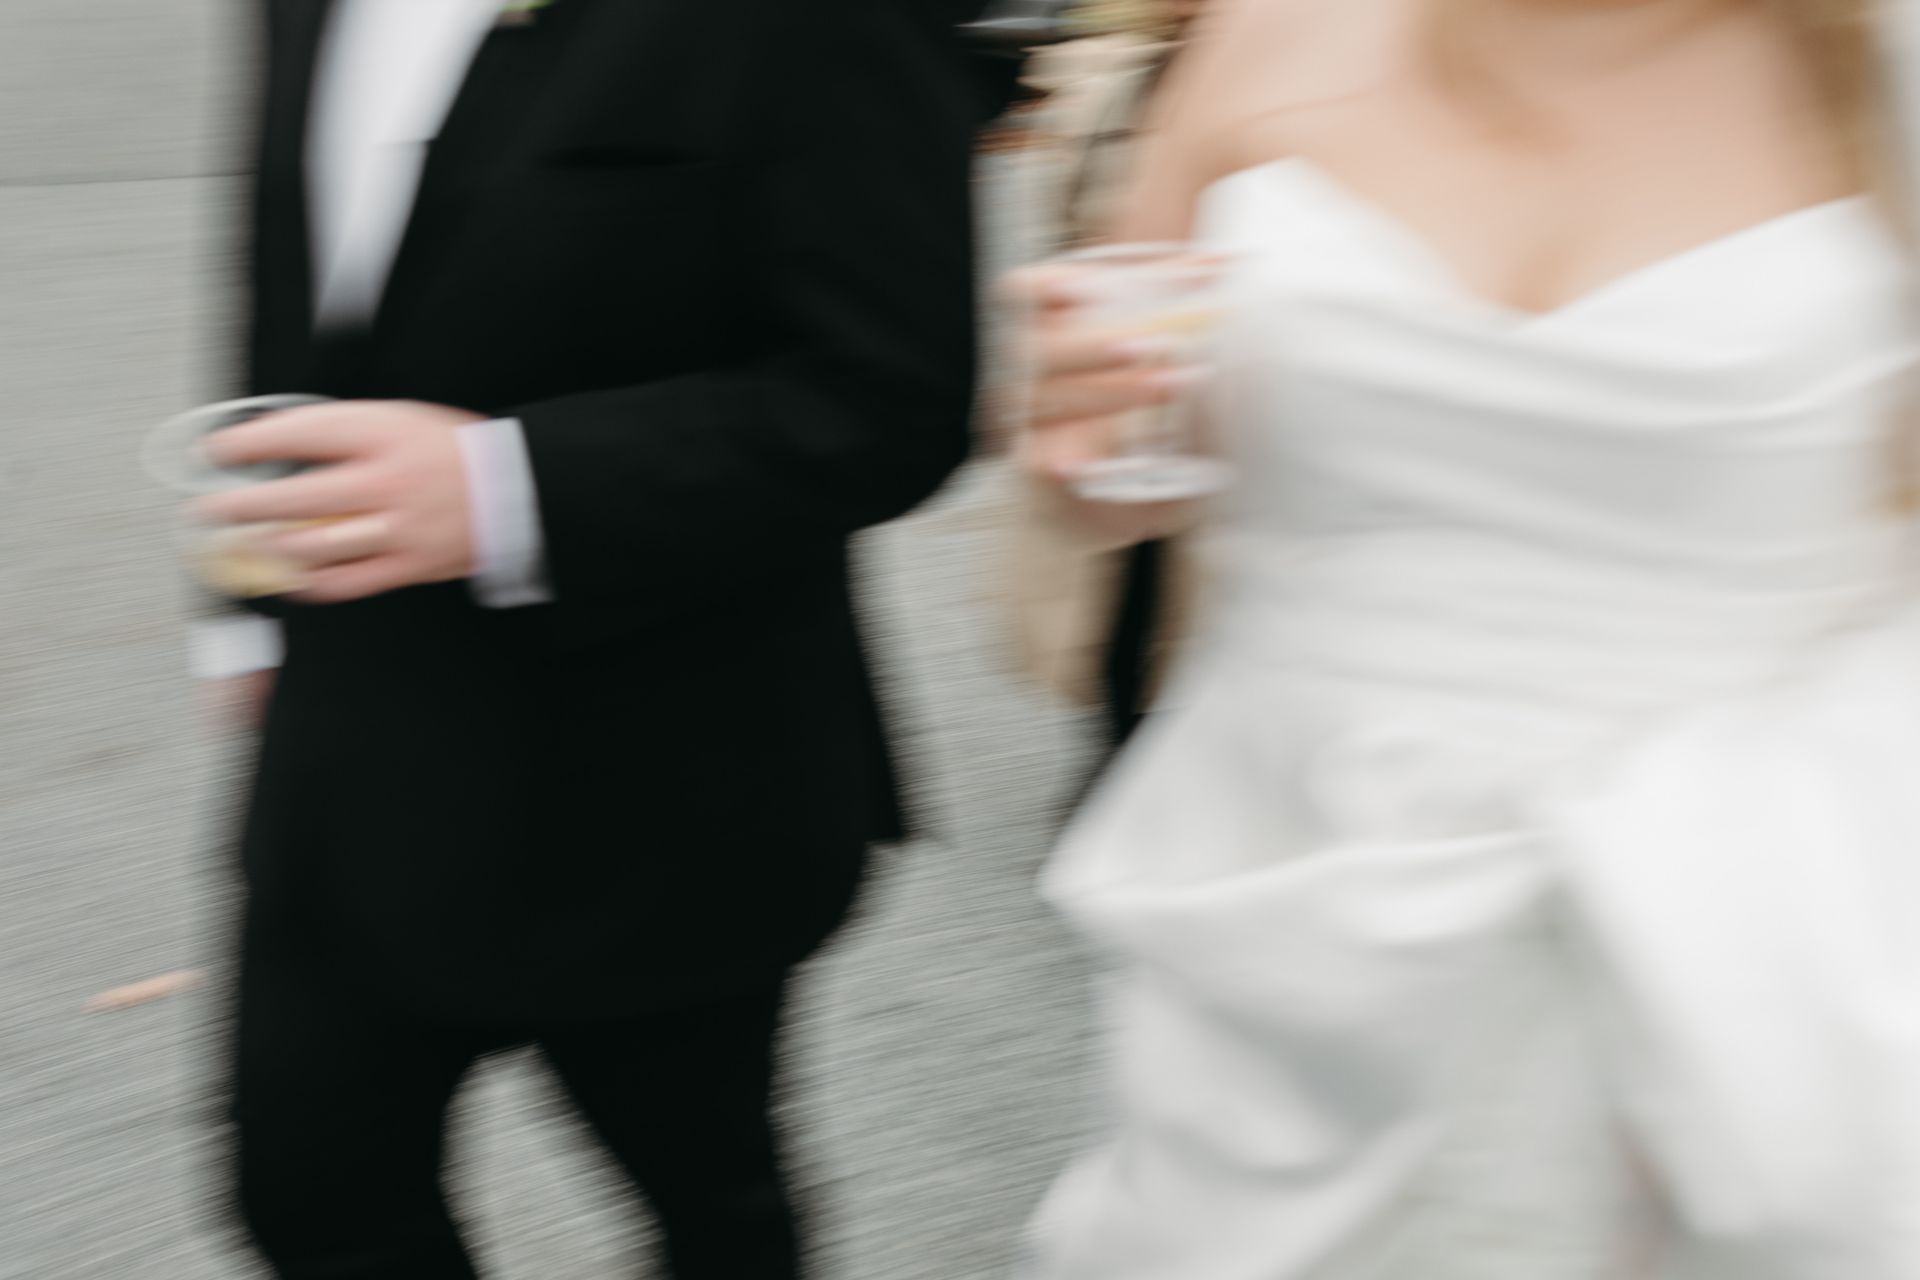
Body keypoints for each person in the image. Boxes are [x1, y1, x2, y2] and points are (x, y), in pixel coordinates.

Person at [1014, 0, 1920, 1273]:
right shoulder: (1268, 32)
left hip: (1756, 919)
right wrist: (1078, 432)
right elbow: (1129, 460)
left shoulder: (1879, 67)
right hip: (1305, 874)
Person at [188, 3, 979, 1277]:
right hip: (353, 730)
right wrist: (240, 608)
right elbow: (287, 273)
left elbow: (894, 395)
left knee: (703, 1193)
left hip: (661, 758)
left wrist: (508, 486)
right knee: (308, 1189)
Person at [1004, 0, 1205, 750]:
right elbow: (1072, 232)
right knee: (1126, 635)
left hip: (1238, 450)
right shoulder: (1122, 77)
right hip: (1132, 423)